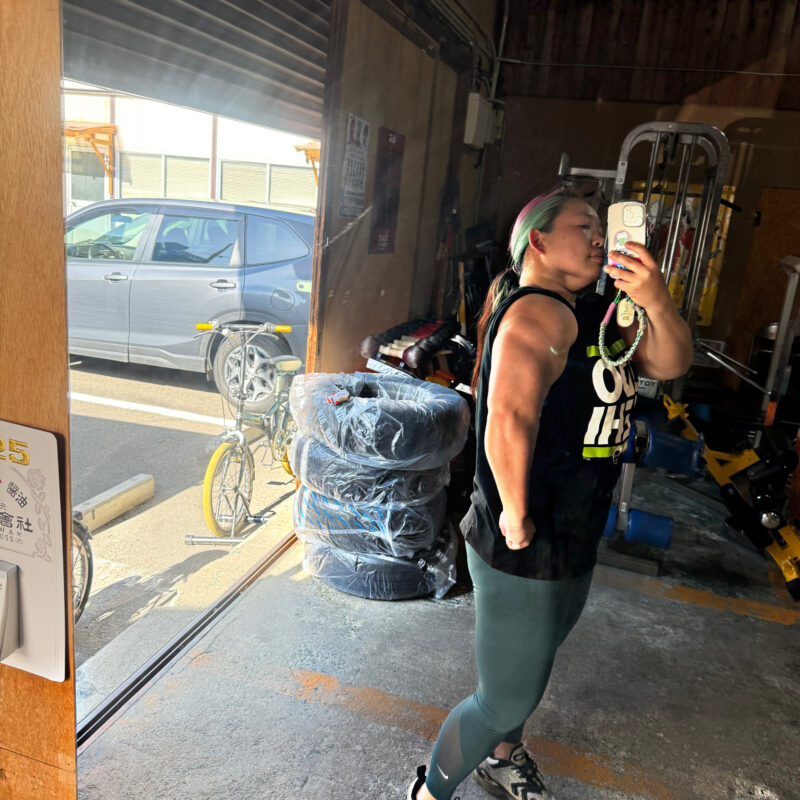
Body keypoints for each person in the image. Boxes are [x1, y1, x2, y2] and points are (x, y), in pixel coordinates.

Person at [406, 187, 693, 800]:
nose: (598, 237)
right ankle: (428, 793)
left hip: (573, 524)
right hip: (526, 539)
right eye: (583, 226)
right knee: (502, 697)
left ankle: (500, 758)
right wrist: (514, 515)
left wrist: (655, 300)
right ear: (537, 240)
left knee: (529, 669)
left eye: (600, 228)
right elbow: (509, 418)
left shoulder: (596, 312)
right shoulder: (538, 313)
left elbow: (669, 363)